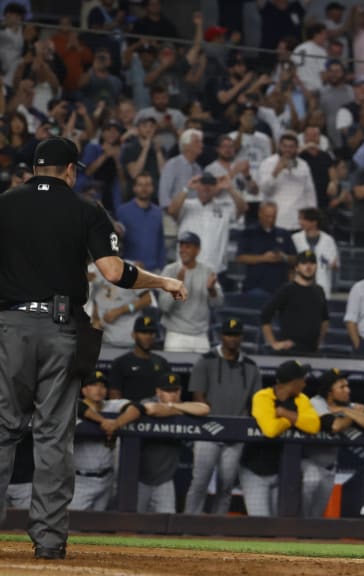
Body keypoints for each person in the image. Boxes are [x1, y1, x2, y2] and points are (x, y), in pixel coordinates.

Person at [0, 137, 186, 559]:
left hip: (9, 325)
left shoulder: (5, 202)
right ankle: (48, 542)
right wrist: (163, 282)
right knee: (51, 435)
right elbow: (114, 271)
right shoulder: (86, 209)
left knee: (2, 428)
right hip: (59, 327)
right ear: (70, 170)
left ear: (33, 168)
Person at [183, 318, 261, 515]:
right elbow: (198, 397)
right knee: (200, 481)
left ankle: (217, 528)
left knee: (226, 485)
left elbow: (254, 402)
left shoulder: (251, 366)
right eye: (228, 335)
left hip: (235, 434)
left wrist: (240, 424)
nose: (232, 339)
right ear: (221, 336)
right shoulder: (206, 361)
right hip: (208, 430)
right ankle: (188, 525)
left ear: (241, 337)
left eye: (236, 335)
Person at [240, 361, 321, 517]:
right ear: (294, 382)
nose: (305, 384)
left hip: (282, 472)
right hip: (255, 471)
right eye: (302, 380)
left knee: (281, 524)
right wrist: (294, 421)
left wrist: (284, 414)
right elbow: (270, 430)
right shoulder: (262, 397)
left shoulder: (301, 399)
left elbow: (314, 425)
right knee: (261, 526)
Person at [304, 369, 364, 518]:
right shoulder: (316, 402)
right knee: (302, 514)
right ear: (329, 392)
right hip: (307, 464)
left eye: (347, 386)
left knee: (315, 517)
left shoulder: (346, 406)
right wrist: (352, 414)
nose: (348, 390)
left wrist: (346, 410)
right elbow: (335, 426)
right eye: (342, 387)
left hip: (329, 466)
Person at [137, 373, 210, 513]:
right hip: (140, 479)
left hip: (165, 481)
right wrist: (177, 408)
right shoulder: (147, 400)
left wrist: (174, 407)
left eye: (175, 391)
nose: (172, 395)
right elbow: (151, 409)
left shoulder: (182, 405)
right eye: (167, 391)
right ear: (158, 391)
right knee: (132, 523)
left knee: (168, 522)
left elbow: (204, 408)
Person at [70, 370, 141, 512]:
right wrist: (103, 421)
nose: (99, 389)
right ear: (84, 389)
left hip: (107, 479)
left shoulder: (112, 406)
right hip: (81, 479)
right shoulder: (72, 406)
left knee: (99, 526)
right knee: (72, 525)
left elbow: (137, 409)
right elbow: (77, 406)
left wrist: (115, 424)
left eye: (102, 386)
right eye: (94, 385)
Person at [158, 232, 222, 353]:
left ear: (197, 250)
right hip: (176, 335)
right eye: (181, 246)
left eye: (187, 246)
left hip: (200, 336)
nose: (182, 250)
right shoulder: (170, 271)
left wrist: (211, 290)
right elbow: (164, 307)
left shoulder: (207, 271)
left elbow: (218, 304)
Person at [261, 250, 329, 355]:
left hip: (312, 351)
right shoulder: (287, 290)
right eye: (304, 263)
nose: (308, 267)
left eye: (312, 263)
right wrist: (273, 343)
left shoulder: (319, 291)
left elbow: (325, 319)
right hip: (290, 351)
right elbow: (265, 316)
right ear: (297, 267)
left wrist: (319, 342)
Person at [257, 132, 317, 232]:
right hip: (276, 221)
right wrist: (276, 171)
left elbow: (310, 192)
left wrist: (312, 217)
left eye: (291, 147)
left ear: (297, 148)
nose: (287, 150)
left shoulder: (303, 165)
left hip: (298, 221)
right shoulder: (268, 163)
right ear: (279, 146)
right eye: (284, 146)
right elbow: (264, 190)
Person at [236, 202, 297, 297]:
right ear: (260, 213)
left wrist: (283, 257)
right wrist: (264, 258)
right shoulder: (248, 233)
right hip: (255, 287)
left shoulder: (284, 234)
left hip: (280, 288)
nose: (270, 220)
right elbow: (240, 258)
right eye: (267, 216)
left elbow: (295, 259)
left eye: (273, 216)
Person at [291, 208, 339, 295]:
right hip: (299, 284)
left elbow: (335, 265)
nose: (300, 222)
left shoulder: (328, 240)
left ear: (314, 222)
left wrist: (329, 263)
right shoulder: (295, 238)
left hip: (321, 284)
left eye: (303, 219)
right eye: (300, 219)